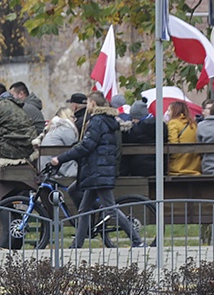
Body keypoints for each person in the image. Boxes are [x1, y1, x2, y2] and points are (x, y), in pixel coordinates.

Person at [50, 91, 144, 248]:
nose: (86, 106)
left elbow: (86, 146)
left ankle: (137, 240)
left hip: (98, 171)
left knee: (110, 208)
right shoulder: (106, 120)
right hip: (96, 171)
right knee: (84, 209)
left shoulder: (97, 121)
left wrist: (60, 158)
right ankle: (76, 245)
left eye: (87, 103)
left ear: (93, 104)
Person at [37, 105, 78, 177]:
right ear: (68, 117)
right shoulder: (66, 128)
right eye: (73, 117)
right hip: (55, 169)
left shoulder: (54, 127)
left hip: (45, 166)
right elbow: (74, 148)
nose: (75, 120)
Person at [167, 101, 200, 175]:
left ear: (175, 111)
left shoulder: (173, 123)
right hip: (195, 167)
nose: (167, 113)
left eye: (169, 110)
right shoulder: (193, 124)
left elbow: (173, 144)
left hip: (178, 167)